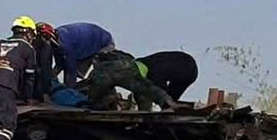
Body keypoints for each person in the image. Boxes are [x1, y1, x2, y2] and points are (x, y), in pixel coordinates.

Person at [35, 22, 182, 112]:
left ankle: (112, 103)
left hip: (102, 46)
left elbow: (71, 70)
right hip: (121, 63)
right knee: (144, 86)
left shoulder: (68, 46)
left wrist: (68, 89)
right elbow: (62, 64)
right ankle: (168, 101)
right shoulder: (60, 38)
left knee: (93, 99)